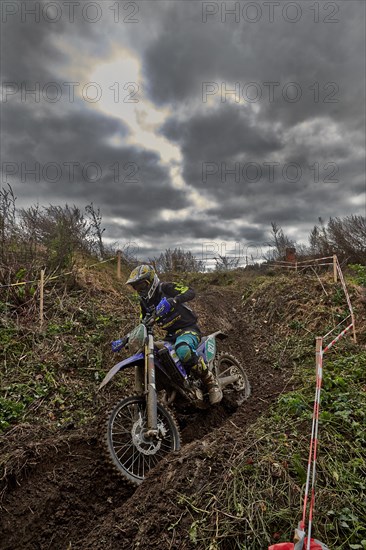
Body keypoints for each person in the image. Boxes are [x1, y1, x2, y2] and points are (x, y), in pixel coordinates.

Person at [125, 264, 223, 405]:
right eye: (137, 288)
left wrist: (174, 300)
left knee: (183, 350)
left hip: (188, 329)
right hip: (171, 336)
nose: (140, 291)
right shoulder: (144, 303)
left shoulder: (166, 288)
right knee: (159, 356)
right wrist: (126, 339)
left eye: (142, 286)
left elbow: (190, 291)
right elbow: (143, 324)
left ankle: (210, 381)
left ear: (151, 281)